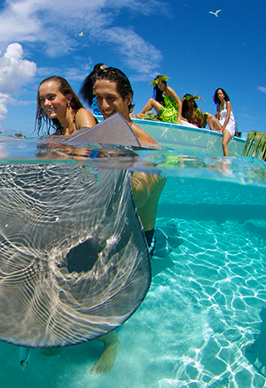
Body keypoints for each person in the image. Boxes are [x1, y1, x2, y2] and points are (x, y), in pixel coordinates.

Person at [91, 66, 167, 374]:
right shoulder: (104, 137)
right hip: (110, 227)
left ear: (128, 99)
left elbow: (142, 193)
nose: (105, 107)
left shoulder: (146, 145)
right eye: (99, 99)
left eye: (111, 99)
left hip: (136, 237)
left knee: (98, 287)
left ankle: (112, 343)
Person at [207, 88, 236, 156]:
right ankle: (213, 132)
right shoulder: (218, 106)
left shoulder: (228, 103)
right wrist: (216, 117)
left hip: (228, 125)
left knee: (224, 143)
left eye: (221, 94)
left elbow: (228, 117)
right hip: (221, 124)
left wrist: (222, 129)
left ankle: (226, 161)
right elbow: (218, 119)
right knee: (209, 116)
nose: (219, 95)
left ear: (224, 95)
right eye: (218, 94)